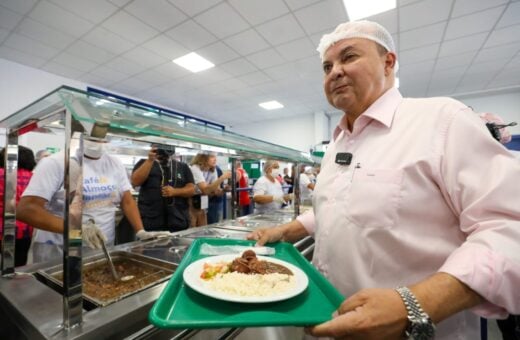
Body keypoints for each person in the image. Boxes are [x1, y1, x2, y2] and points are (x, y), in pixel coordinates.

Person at [248, 20, 520, 339]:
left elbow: (509, 228)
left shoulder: (442, 121)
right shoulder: (337, 143)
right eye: (327, 66)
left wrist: (413, 305)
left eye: (348, 57)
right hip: (330, 322)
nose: (334, 71)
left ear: (388, 62)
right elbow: (337, 205)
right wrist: (288, 230)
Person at [17, 123, 168, 263]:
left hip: (102, 247)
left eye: (102, 137)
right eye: (92, 136)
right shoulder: (56, 163)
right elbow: (27, 210)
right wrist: (76, 230)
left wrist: (140, 231)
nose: (98, 141)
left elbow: (127, 200)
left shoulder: (114, 163)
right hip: (59, 249)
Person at [131, 145, 195, 232]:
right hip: (151, 222)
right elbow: (135, 182)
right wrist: (150, 160)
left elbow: (191, 189)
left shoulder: (182, 167)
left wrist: (175, 192)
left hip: (178, 221)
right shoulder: (144, 163)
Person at [0, 146, 36, 266]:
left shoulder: (1, 174)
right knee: (18, 265)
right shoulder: (33, 177)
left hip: (1, 227)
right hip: (24, 230)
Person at [189, 153, 231, 227]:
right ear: (203, 158)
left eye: (215, 156)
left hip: (202, 203)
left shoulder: (212, 170)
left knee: (203, 228)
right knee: (192, 227)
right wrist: (222, 178)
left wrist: (224, 190)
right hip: (191, 203)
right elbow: (205, 190)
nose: (215, 159)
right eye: (212, 157)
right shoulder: (195, 168)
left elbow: (216, 192)